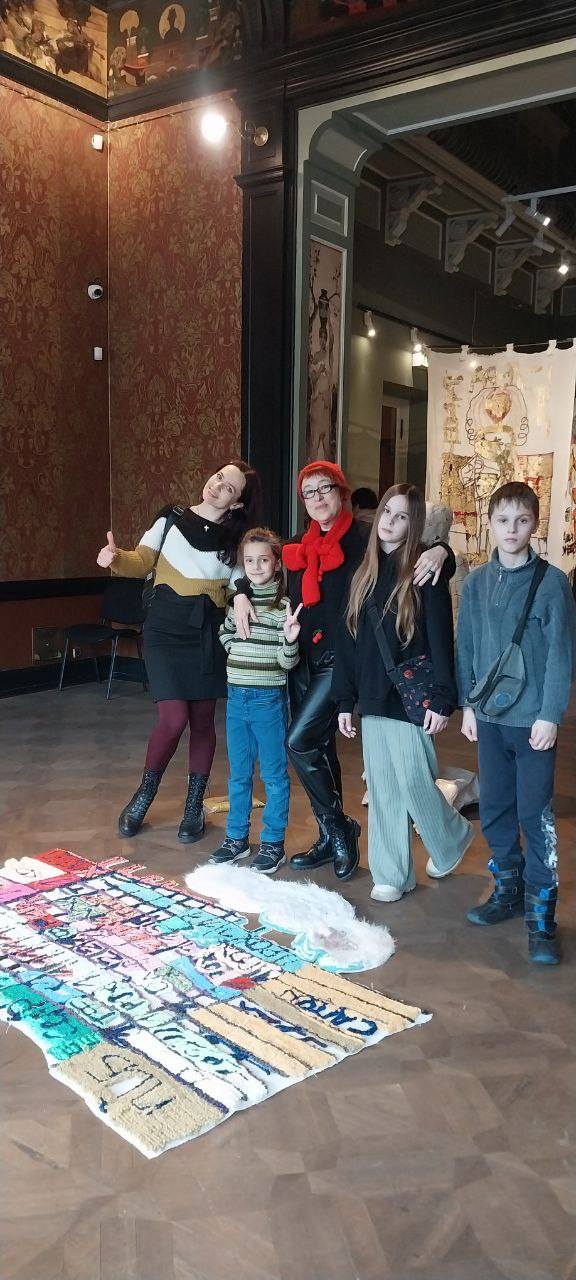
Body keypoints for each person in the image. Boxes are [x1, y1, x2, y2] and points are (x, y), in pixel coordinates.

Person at [234, 463, 451, 881]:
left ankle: (340, 829)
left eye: (325, 488)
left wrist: (443, 551)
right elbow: (256, 562)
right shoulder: (297, 544)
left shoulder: (366, 534)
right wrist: (242, 593)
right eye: (308, 492)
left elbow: (413, 548)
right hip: (301, 658)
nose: (317, 498)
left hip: (342, 661)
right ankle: (328, 835)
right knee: (319, 747)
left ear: (342, 491)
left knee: (298, 741)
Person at [96, 461, 262, 841]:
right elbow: (141, 561)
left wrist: (240, 596)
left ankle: (193, 807)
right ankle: (144, 794)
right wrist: (115, 558)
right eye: (218, 477)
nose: (216, 486)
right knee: (173, 719)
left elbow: (241, 582)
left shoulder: (236, 540)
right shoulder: (171, 517)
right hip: (164, 630)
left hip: (205, 633)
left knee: (203, 721)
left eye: (228, 487)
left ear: (237, 503)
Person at [333, 484, 473, 902]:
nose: (390, 522)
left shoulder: (424, 569)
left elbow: (441, 638)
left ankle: (450, 836)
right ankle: (392, 872)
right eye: (387, 513)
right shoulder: (362, 573)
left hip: (412, 696)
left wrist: (444, 698)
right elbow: (348, 645)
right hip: (372, 694)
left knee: (414, 780)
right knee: (382, 788)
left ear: (415, 527)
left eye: (402, 517)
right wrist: (345, 700)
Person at [457, 481, 576, 965]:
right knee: (495, 807)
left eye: (522, 520)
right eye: (503, 520)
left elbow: (561, 655)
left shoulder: (552, 583)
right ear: (489, 523)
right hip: (489, 718)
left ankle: (541, 915)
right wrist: (468, 704)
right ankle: (507, 888)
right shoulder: (476, 584)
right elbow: (466, 646)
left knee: (535, 814)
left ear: (535, 524)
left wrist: (550, 714)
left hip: (533, 724)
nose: (512, 529)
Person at [208, 528, 302, 874]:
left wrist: (290, 639)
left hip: (268, 701)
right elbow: (224, 632)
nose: (256, 566)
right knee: (239, 775)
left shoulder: (283, 608)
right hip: (236, 699)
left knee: (274, 776)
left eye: (263, 560)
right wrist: (236, 648)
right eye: (249, 561)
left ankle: (273, 843)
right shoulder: (238, 602)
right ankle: (236, 838)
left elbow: (287, 663)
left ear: (277, 564)